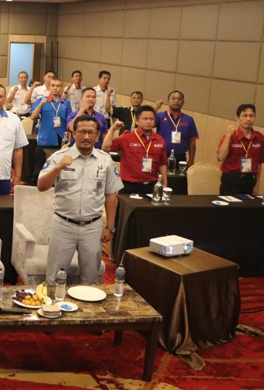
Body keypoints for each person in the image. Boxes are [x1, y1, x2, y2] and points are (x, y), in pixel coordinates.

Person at [38, 115, 122, 284]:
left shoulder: (105, 161)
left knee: (90, 278)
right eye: (82, 132)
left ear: (98, 135)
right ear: (73, 132)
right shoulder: (59, 157)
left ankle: (88, 311)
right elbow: (41, 186)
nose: (86, 137)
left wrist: (110, 227)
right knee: (55, 277)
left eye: (91, 132)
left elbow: (111, 194)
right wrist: (59, 168)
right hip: (63, 225)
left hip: (92, 227)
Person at [102, 105, 168, 195]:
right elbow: (106, 147)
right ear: (136, 121)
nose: (148, 121)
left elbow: (162, 164)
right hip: (129, 186)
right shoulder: (127, 137)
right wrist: (112, 129)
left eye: (151, 119)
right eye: (145, 119)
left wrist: (164, 184)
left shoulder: (159, 140)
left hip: (151, 186)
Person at [216, 104, 264, 195]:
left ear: (255, 117)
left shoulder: (260, 138)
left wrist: (257, 185)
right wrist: (228, 137)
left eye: (251, 116)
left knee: (247, 209)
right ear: (237, 118)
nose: (248, 119)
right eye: (244, 116)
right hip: (231, 180)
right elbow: (220, 157)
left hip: (250, 181)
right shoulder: (230, 136)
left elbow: (259, 164)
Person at [29, 78, 72, 177]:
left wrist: (69, 141)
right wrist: (40, 105)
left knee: (57, 167)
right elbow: (33, 117)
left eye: (58, 86)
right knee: (40, 167)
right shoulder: (42, 100)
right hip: (45, 139)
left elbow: (70, 123)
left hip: (61, 139)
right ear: (49, 87)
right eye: (53, 85)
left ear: (61, 88)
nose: (55, 88)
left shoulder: (65, 103)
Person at [156, 90, 199, 168]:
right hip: (161, 157)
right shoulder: (160, 116)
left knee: (179, 180)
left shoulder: (189, 120)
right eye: (173, 98)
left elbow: (192, 141)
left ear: (183, 102)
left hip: (181, 159)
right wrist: (156, 107)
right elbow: (147, 122)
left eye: (179, 99)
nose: (176, 101)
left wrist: (191, 160)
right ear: (168, 101)